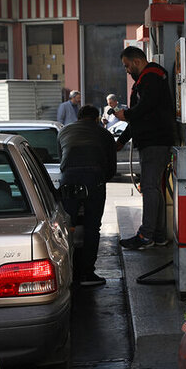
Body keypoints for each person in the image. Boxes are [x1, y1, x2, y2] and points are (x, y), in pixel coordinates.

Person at [117, 46, 175, 250]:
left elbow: (144, 108)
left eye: (127, 65)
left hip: (155, 142)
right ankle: (157, 234)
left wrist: (128, 115)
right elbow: (140, 115)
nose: (127, 70)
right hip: (153, 140)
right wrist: (122, 140)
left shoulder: (151, 77)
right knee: (154, 188)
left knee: (150, 188)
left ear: (137, 61)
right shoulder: (150, 78)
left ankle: (146, 235)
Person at [58, 104, 117, 286]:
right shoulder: (104, 134)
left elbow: (62, 158)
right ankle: (87, 273)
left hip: (69, 178)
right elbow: (111, 167)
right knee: (92, 227)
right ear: (97, 118)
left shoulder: (64, 131)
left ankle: (67, 272)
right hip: (94, 178)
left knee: (66, 225)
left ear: (78, 117)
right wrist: (99, 180)